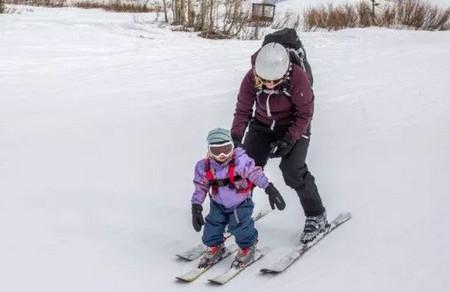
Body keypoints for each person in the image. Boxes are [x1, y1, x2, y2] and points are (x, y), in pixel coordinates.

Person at [231, 42, 328, 244]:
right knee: (244, 168)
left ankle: (316, 214)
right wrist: (237, 137)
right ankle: (236, 212)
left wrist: (289, 139)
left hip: (294, 126)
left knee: (292, 169)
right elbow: (243, 110)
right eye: (264, 81)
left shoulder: (298, 78)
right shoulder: (250, 78)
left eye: (274, 81)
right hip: (262, 125)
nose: (268, 85)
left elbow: (305, 114)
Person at [191, 128, 285, 267]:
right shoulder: (204, 167)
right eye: (217, 151)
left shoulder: (241, 161)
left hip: (240, 203)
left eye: (226, 149)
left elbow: (255, 173)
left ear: (232, 146)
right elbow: (201, 186)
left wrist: (269, 188)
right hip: (218, 204)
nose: (222, 155)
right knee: (212, 226)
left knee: (240, 227)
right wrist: (196, 206)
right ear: (209, 151)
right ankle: (215, 247)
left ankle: (248, 247)